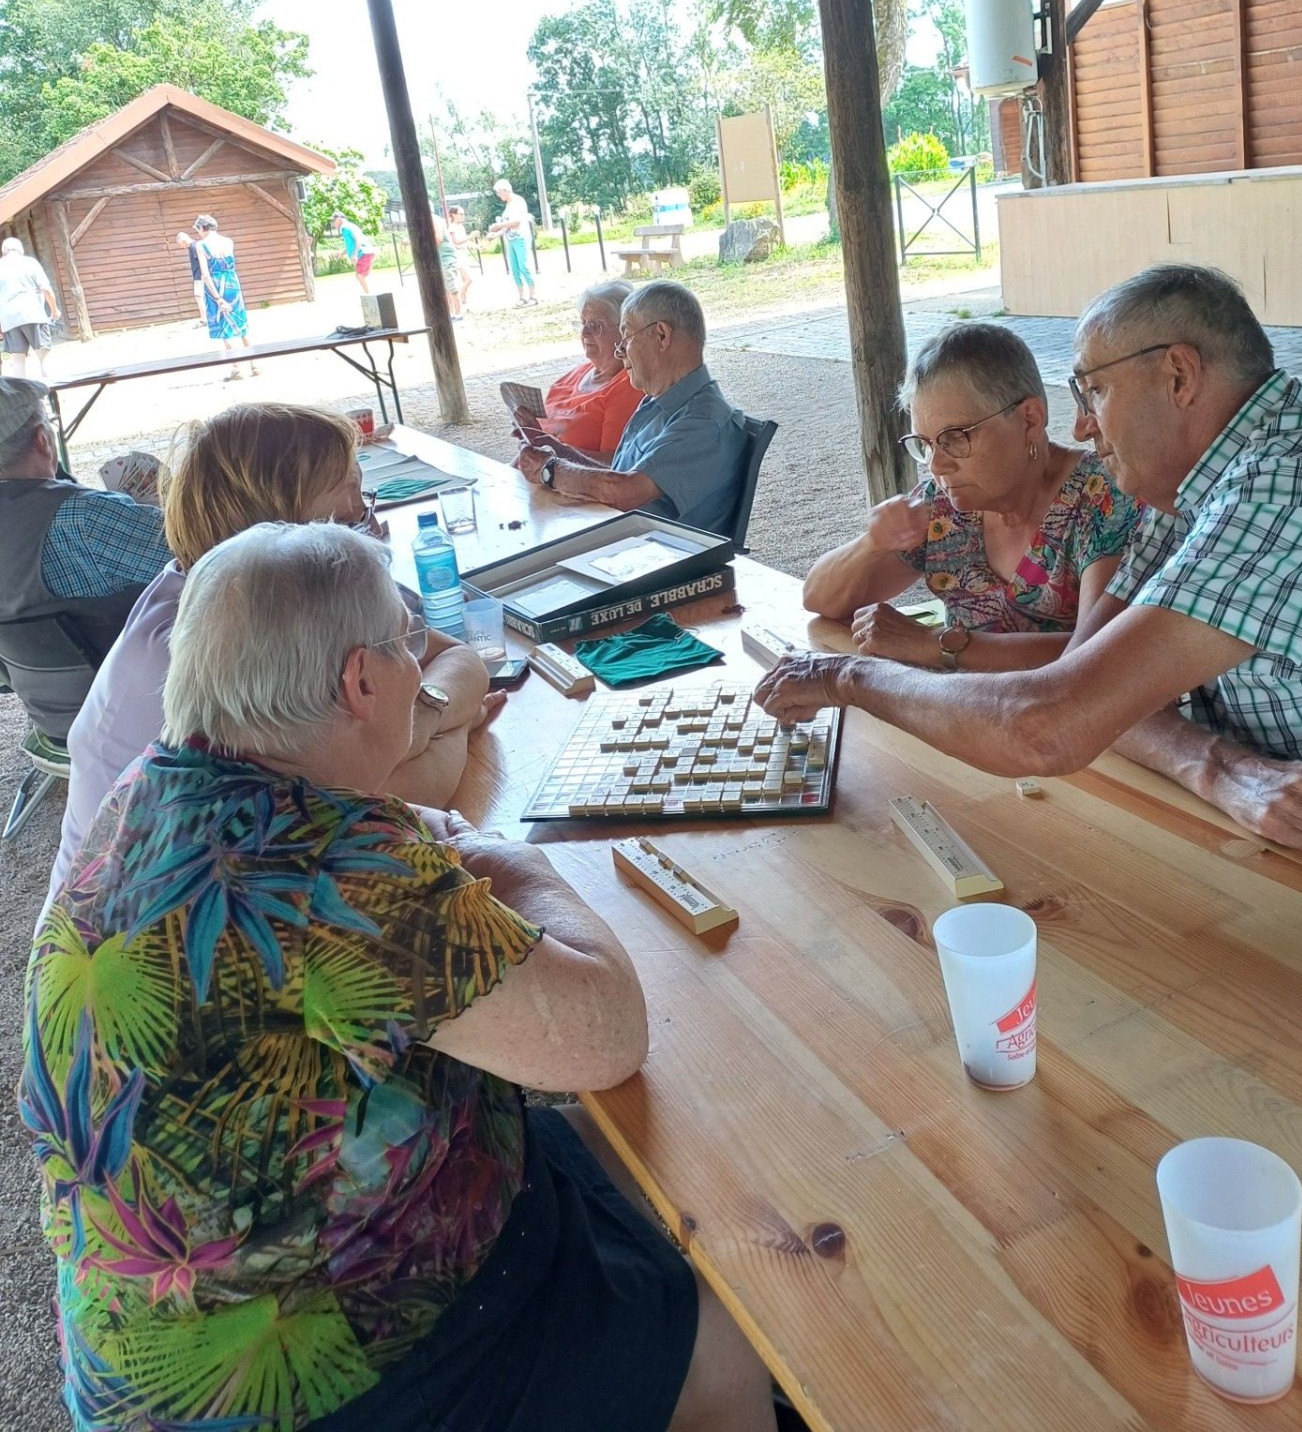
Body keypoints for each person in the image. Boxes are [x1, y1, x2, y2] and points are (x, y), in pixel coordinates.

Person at [23, 521, 776, 1432]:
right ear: (361, 680)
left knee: (659, 1162)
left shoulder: (158, 788)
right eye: (409, 653)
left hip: (156, 1345)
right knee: (717, 1322)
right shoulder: (327, 865)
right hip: (314, 1378)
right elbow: (607, 1033)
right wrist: (514, 864)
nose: (422, 677)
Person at [757, 264, 1302, 850]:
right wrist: (1213, 764)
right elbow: (1090, 683)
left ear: (1178, 375)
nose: (1081, 425)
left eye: (1095, 392)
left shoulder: (1298, 482)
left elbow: (1047, 724)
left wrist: (849, 679)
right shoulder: (1187, 484)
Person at [50, 400, 503, 911]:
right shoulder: (200, 649)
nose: (366, 518)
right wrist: (454, 727)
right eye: (348, 502)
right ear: (287, 521)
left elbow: (459, 657)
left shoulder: (282, 594)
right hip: (158, 929)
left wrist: (423, 715)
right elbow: (387, 807)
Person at [803, 322, 1140, 670]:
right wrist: (872, 544)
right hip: (967, 711)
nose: (937, 464)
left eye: (955, 437)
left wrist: (933, 643)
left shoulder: (1103, 497)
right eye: (927, 444)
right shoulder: (944, 508)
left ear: (1029, 419)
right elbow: (821, 602)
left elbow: (1101, 655)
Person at [0, 378, 169, 744]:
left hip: (54, 721)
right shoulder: (84, 518)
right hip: (150, 714)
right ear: (43, 441)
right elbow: (214, 559)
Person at [517, 281, 749, 536]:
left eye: (626, 337)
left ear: (661, 335)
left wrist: (550, 470)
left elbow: (623, 491)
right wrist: (559, 450)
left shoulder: (704, 420)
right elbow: (617, 474)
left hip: (664, 561)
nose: (619, 352)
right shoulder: (657, 402)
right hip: (629, 542)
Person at [514, 281, 644, 465]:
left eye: (595, 325)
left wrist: (550, 448)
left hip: (577, 488)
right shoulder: (570, 378)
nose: (584, 332)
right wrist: (531, 435)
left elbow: (615, 465)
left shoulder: (630, 385)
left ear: (625, 329)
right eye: (582, 323)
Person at [191, 212, 257, 380]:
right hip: (233, 283)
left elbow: (205, 274)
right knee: (241, 324)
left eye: (197, 229)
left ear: (202, 228)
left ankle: (236, 368)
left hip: (216, 284)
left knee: (225, 327)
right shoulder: (228, 241)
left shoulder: (201, 245)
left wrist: (217, 298)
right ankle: (254, 364)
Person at [0, 235, 59, 380]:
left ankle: (22, 398)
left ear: (3, 251)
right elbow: (46, 289)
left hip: (9, 319)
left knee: (18, 359)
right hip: (32, 313)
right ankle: (51, 390)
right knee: (43, 355)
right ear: (21, 250)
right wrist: (54, 310)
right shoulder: (30, 263)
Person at [490, 178, 537, 307]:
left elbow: (517, 222)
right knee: (515, 269)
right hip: (510, 239)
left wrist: (498, 225)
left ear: (505, 190)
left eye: (499, 193)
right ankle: (521, 296)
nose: (499, 196)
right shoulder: (508, 205)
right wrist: (497, 234)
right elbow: (507, 227)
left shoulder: (518, 202)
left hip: (520, 237)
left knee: (524, 266)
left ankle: (533, 294)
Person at [332, 209, 377, 288]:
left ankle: (370, 295)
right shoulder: (348, 226)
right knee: (361, 276)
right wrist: (341, 253)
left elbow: (358, 240)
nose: (332, 223)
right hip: (366, 252)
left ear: (339, 219)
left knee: (360, 275)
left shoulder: (345, 227)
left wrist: (355, 254)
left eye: (333, 221)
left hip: (364, 253)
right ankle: (370, 294)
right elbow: (351, 245)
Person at [433, 210, 463, 319]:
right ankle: (450, 314)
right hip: (439, 257)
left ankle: (458, 314)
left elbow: (438, 238)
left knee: (451, 285)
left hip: (446, 257)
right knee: (444, 287)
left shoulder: (434, 219)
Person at [173, 229, 206, 326]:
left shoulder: (193, 247)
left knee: (199, 297)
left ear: (183, 240)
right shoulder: (194, 246)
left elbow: (201, 261)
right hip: (200, 276)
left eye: (180, 244)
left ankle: (204, 319)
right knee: (201, 297)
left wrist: (202, 275)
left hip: (199, 276)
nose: (181, 247)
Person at [447, 203, 476, 311]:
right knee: (468, 280)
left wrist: (476, 246)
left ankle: (465, 303)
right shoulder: (452, 227)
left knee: (465, 280)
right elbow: (456, 242)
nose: (463, 216)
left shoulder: (460, 227)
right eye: (460, 214)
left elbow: (464, 242)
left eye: (463, 214)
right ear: (453, 215)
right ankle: (458, 299)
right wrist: (470, 237)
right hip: (458, 255)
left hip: (463, 254)